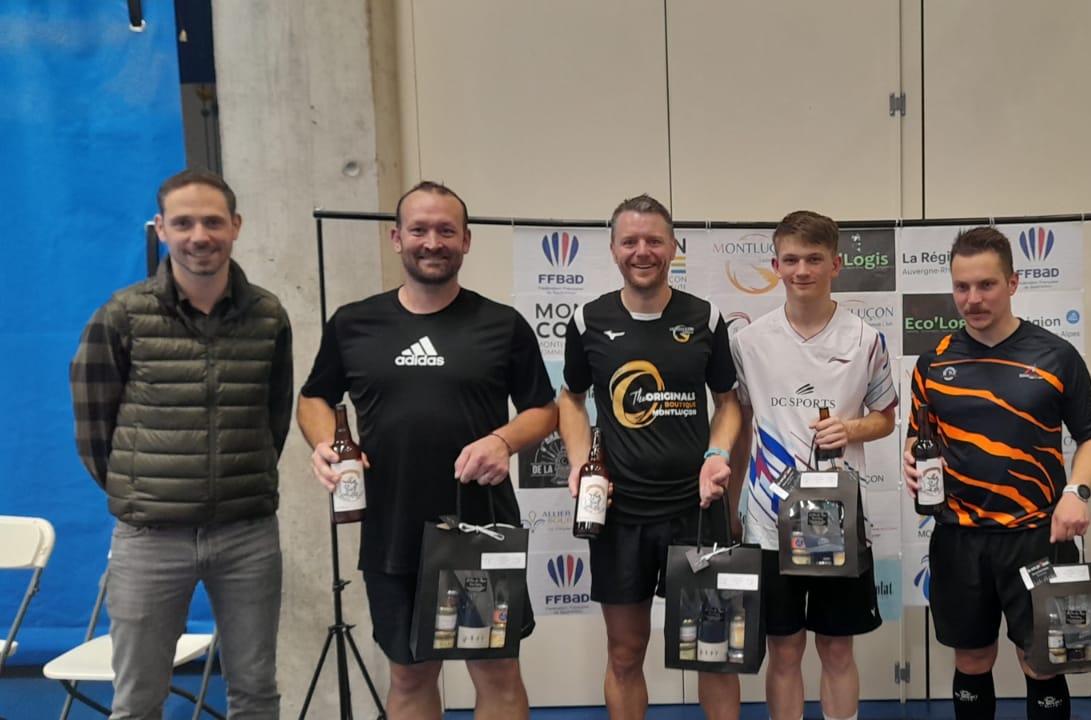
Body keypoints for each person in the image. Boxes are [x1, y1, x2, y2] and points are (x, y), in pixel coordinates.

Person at [298, 181, 557, 720]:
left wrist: (503, 440)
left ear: (466, 240)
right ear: (397, 238)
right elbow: (314, 397)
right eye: (419, 230)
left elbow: (543, 409)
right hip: (392, 527)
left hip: (481, 526)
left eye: (445, 230)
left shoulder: (502, 324)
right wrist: (326, 442)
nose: (432, 242)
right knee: (410, 674)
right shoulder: (353, 322)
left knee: (496, 671)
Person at [70, 170, 292, 719]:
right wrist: (143, 492)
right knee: (138, 699)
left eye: (212, 222)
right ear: (161, 228)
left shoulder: (268, 316)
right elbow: (93, 426)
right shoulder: (122, 315)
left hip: (247, 535)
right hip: (150, 539)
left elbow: (274, 418)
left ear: (235, 226)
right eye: (184, 222)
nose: (199, 236)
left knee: (256, 693)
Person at [901, 226, 1091, 720]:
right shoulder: (933, 362)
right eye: (962, 287)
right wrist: (910, 459)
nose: (973, 299)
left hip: (1036, 535)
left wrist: (1077, 492)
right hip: (959, 538)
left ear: (1013, 283)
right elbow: (916, 435)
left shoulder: (1056, 355)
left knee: (1043, 662)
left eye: (986, 285)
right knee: (971, 659)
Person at [557, 194, 741, 720]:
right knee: (624, 653)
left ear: (673, 246)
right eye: (630, 241)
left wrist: (716, 454)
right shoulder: (588, 319)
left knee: (714, 655)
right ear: (613, 249)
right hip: (621, 513)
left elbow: (728, 404)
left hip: (696, 509)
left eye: (654, 240)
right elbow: (570, 399)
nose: (643, 251)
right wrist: (580, 462)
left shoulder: (705, 317)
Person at [728, 210, 897, 720]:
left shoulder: (865, 339)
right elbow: (739, 423)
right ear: (776, 266)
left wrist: (852, 429)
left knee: (837, 648)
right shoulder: (748, 341)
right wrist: (731, 503)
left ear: (836, 265)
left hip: (836, 521)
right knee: (783, 650)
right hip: (768, 520)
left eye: (815, 259)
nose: (802, 270)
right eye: (792, 259)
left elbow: (885, 418)